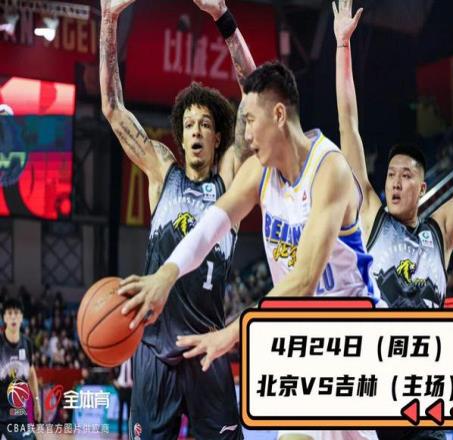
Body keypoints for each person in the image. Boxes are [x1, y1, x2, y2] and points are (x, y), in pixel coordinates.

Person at [119, 60, 381, 440]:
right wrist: (165, 275)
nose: (244, 134)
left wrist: (231, 333)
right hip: (305, 337)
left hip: (353, 336)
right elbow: (209, 227)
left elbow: (304, 281)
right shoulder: (259, 172)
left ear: (279, 116)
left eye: (250, 121)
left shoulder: (330, 170)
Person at [332, 1, 453, 437]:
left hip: (428, 402)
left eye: (405, 176)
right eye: (390, 174)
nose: (394, 182)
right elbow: (349, 127)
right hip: (377, 397)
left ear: (422, 188)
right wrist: (343, 47)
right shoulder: (371, 216)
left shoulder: (439, 232)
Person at [99, 0, 256, 438]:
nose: (196, 131)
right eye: (188, 125)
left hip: (207, 347)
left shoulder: (229, 180)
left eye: (205, 124)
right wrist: (109, 20)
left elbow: (258, 99)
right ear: (180, 136)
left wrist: (223, 18)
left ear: (218, 136)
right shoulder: (161, 172)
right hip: (153, 352)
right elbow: (112, 108)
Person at [0, 298, 40, 440]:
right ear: (4, 317)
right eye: (9, 313)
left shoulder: (27, 343)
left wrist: (36, 401)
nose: (13, 317)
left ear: (22, 317)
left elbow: (31, 373)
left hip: (18, 412)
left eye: (16, 313)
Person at [113, 358, 132, 439]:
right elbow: (112, 370)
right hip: (121, 388)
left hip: (130, 389)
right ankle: (119, 433)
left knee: (129, 414)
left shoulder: (133, 361)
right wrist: (114, 381)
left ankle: (129, 433)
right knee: (120, 412)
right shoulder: (120, 360)